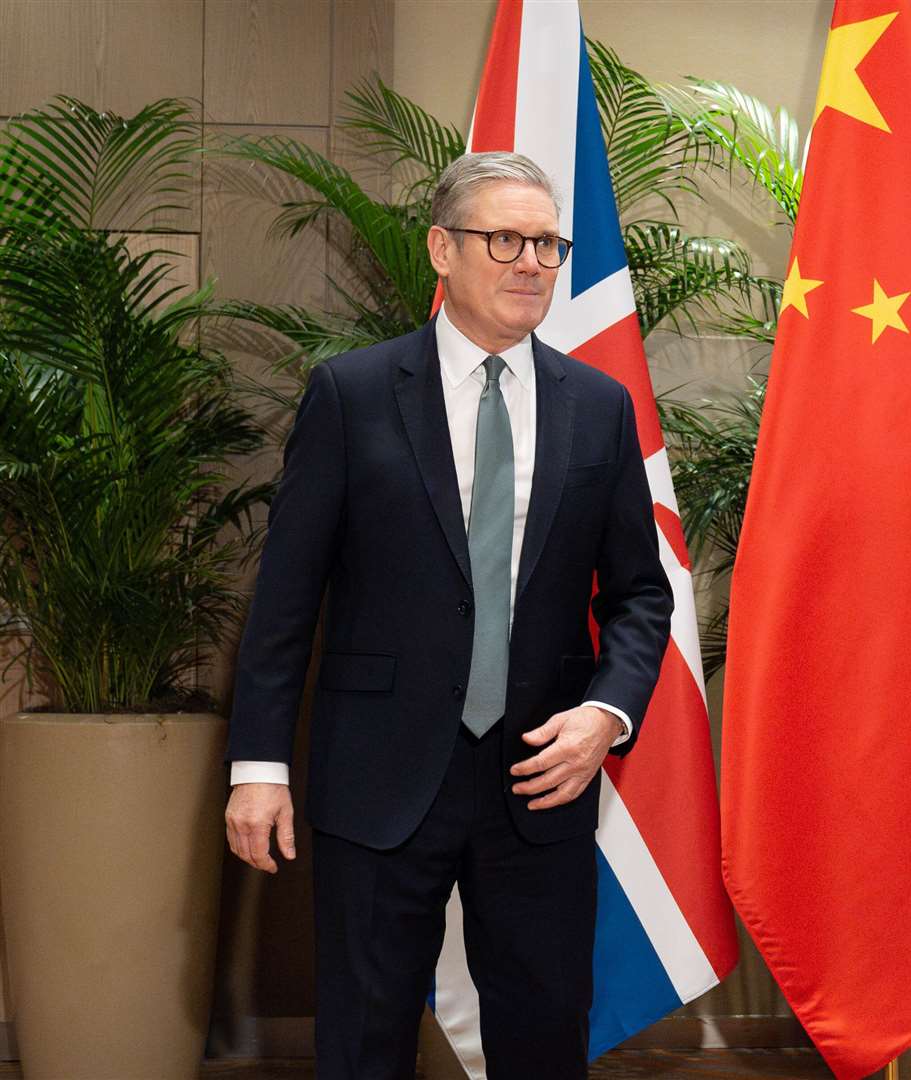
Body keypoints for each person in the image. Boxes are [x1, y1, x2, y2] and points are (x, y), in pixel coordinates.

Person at [223, 151, 673, 1079]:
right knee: (365, 1042)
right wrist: (258, 766)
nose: (530, 262)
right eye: (505, 238)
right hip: (379, 779)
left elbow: (638, 594)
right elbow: (285, 600)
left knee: (543, 1041)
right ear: (441, 248)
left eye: (548, 244)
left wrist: (608, 713)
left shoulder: (599, 407)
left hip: (539, 781)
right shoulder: (350, 394)